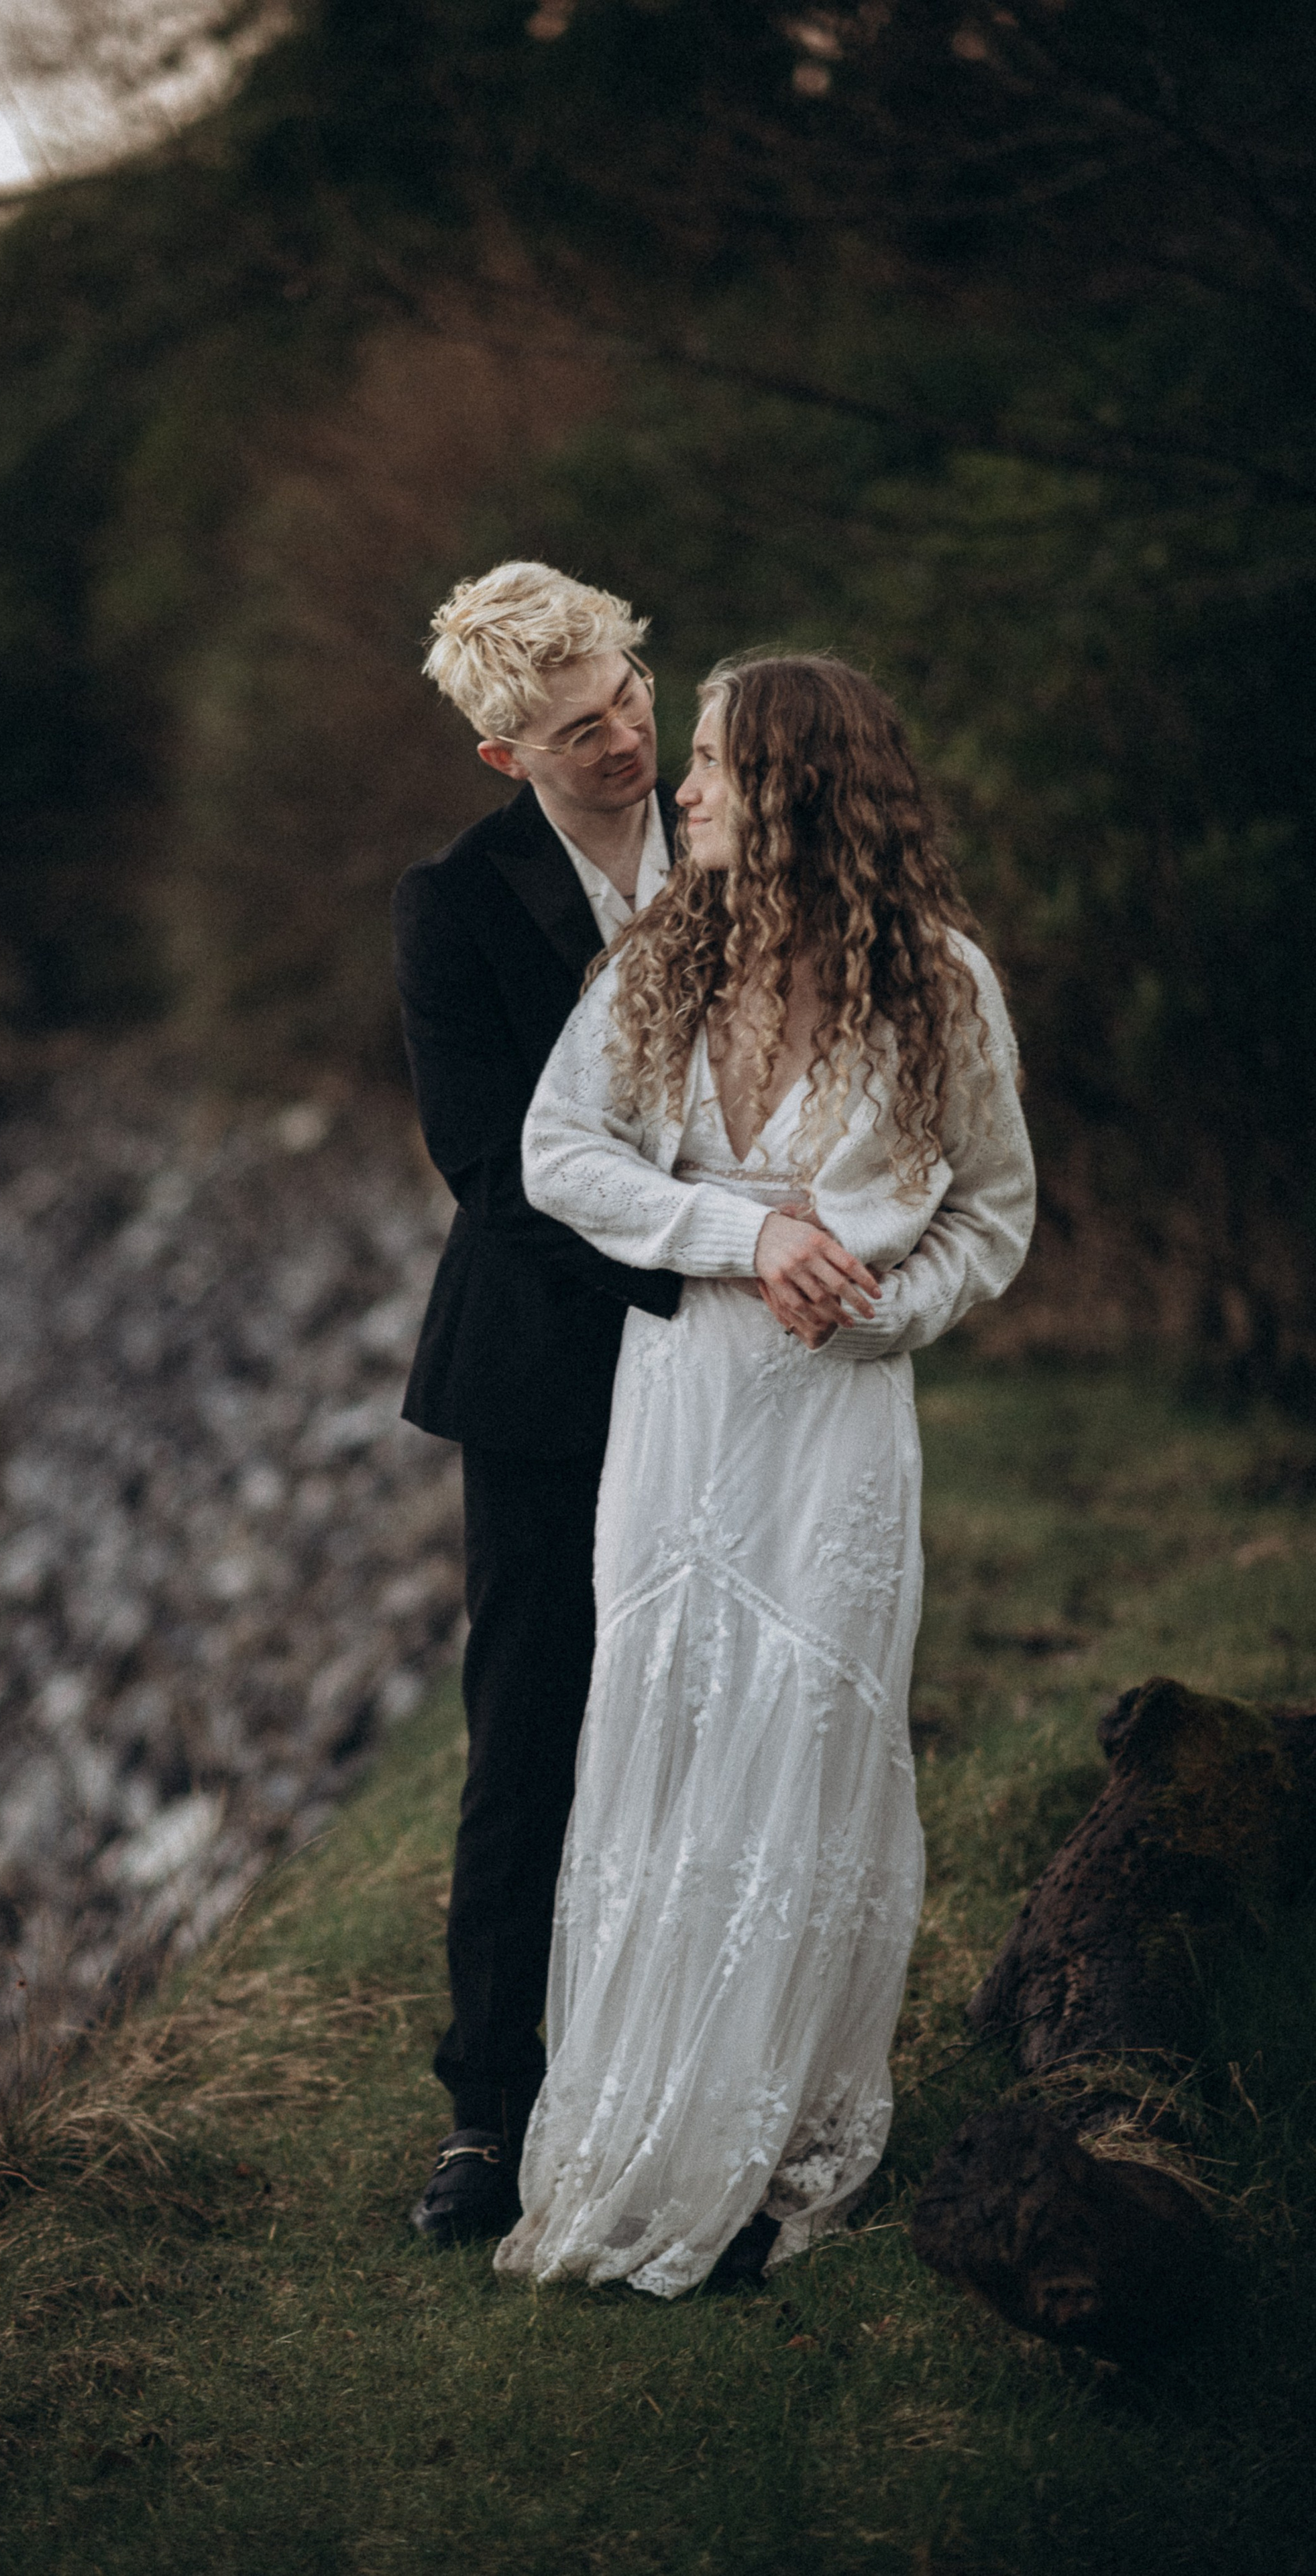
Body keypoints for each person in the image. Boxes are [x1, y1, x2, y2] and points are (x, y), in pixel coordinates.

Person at [494, 650, 1036, 2297]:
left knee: (801, 1750)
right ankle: (640, 2127)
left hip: (833, 1427)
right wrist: (745, 1235)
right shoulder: (662, 961)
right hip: (675, 1415)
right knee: (667, 1741)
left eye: (717, 760)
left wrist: (879, 1310)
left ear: (797, 786)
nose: (684, 786)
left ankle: (770, 2144)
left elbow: (991, 1215)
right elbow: (553, 1155)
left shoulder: (941, 987)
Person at [394, 570, 871, 2245]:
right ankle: (487, 2111)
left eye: (628, 701)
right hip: (548, 1372)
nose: (622, 741)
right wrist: (707, 1278)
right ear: (495, 750)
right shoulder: (455, 903)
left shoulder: (741, 849)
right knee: (528, 1726)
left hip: (751, 1378)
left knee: (714, 1703)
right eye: (575, 726)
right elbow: (487, 1167)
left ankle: (688, 2064)